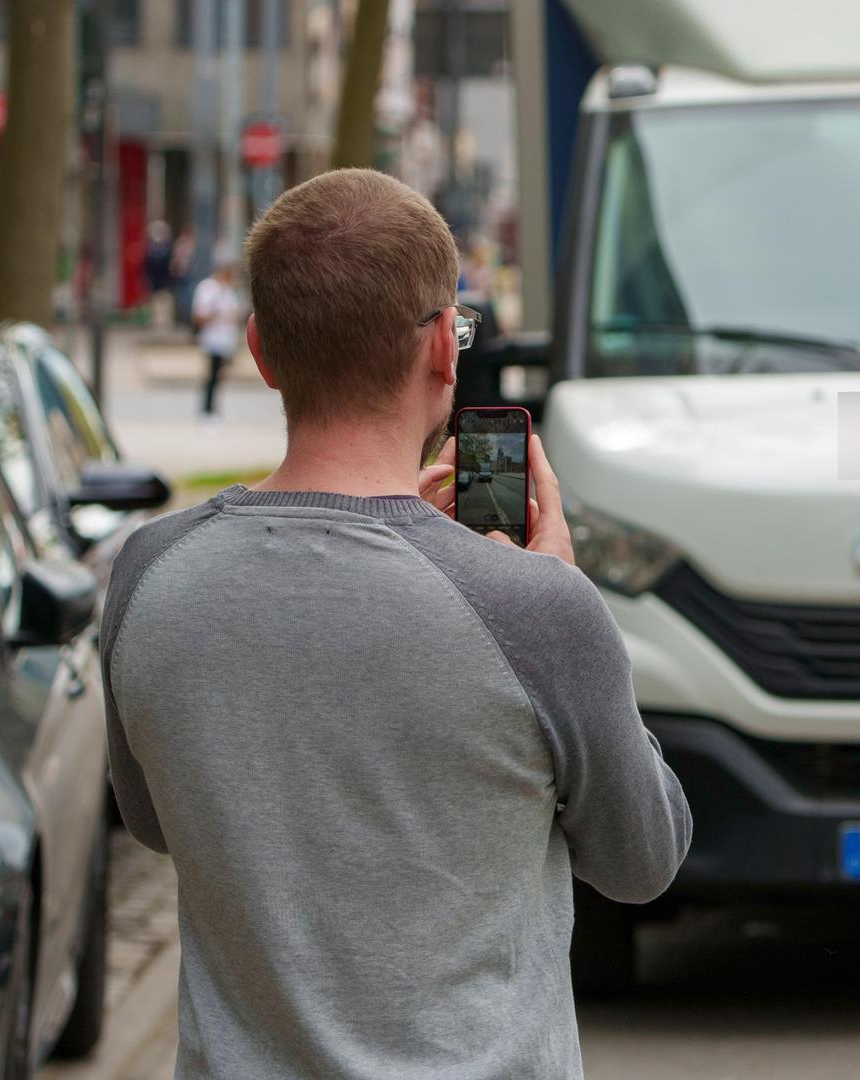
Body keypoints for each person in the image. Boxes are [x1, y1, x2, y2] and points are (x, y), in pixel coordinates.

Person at [99, 169, 691, 1078]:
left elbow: (154, 821)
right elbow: (643, 858)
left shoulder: (148, 575)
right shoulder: (533, 607)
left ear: (259, 352)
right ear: (442, 359)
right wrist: (565, 603)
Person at [189, 255, 245, 419]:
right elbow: (199, 316)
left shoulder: (229, 290)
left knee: (220, 376)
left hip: (227, 340)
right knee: (212, 376)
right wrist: (215, 312)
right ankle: (207, 410)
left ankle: (213, 409)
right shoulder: (207, 288)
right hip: (212, 339)